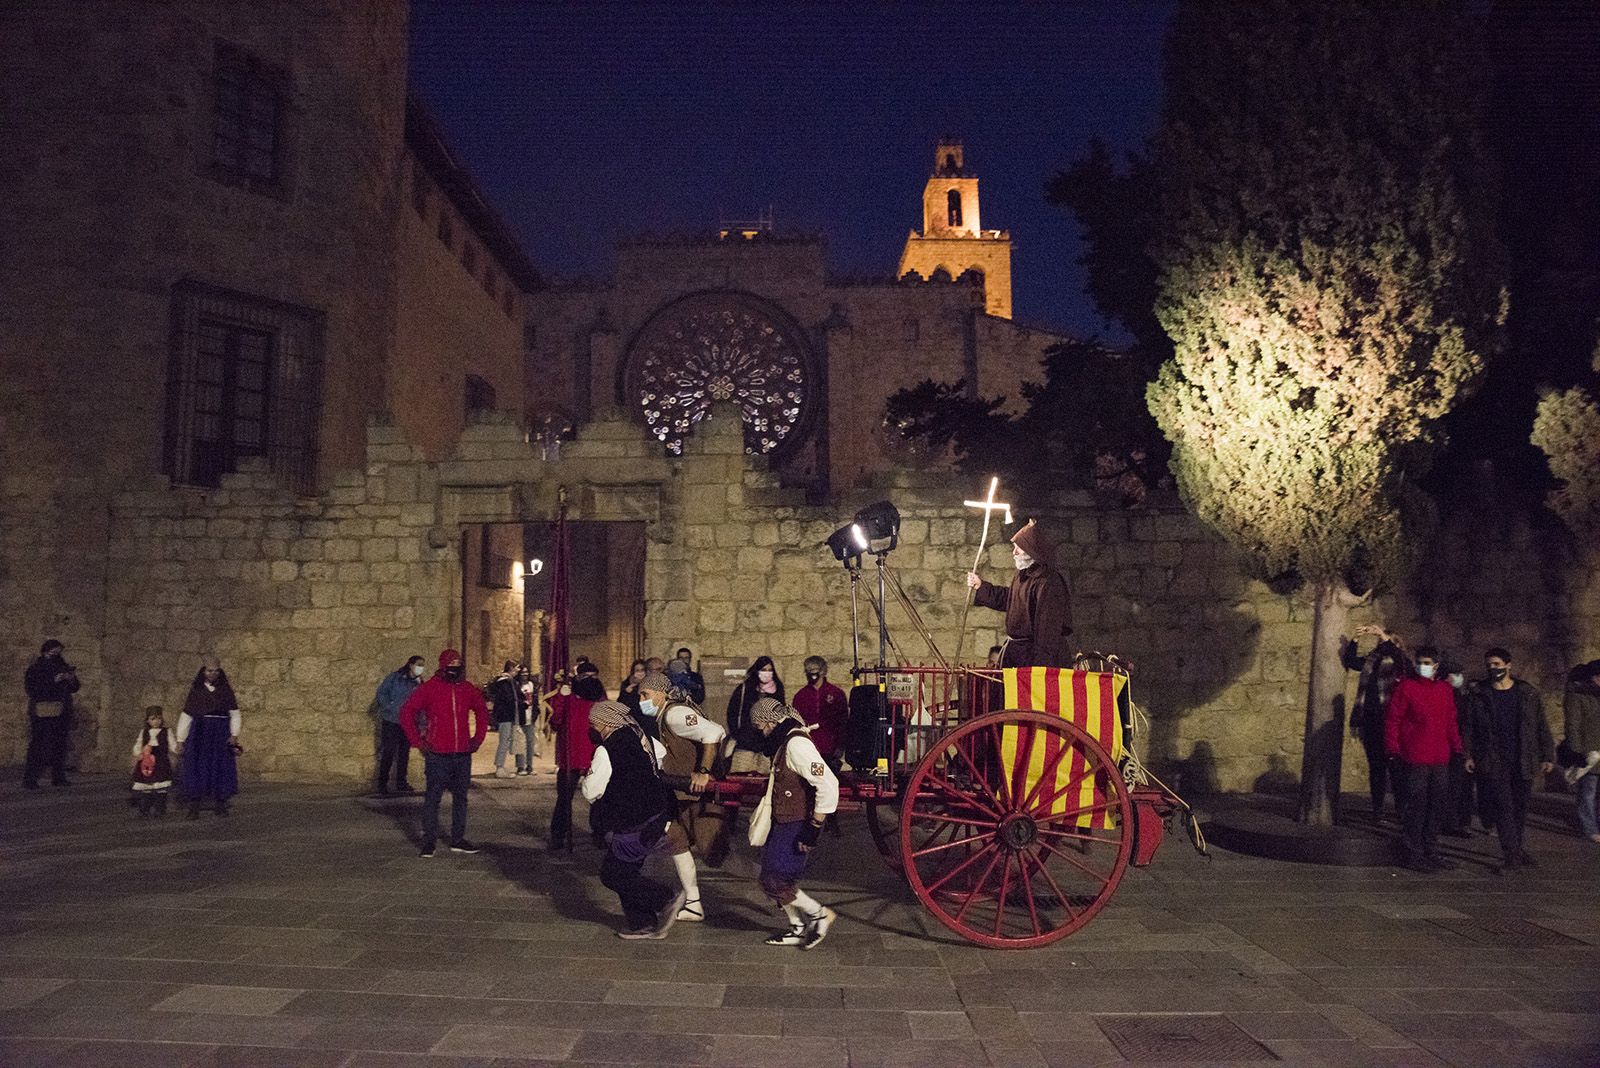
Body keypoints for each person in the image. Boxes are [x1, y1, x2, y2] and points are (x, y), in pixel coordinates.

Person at [581, 700, 688, 939]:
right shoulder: (641, 736)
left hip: (631, 821)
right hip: (653, 813)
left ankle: (664, 899)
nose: (591, 727)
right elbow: (659, 756)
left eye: (593, 722)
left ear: (605, 722)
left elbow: (592, 791)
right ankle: (642, 923)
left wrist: (589, 782)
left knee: (613, 874)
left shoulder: (608, 749)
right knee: (625, 873)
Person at [748, 697, 839, 950]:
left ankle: (819, 914)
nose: (760, 733)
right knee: (772, 875)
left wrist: (814, 827)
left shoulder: (796, 744)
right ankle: (797, 928)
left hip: (797, 822)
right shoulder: (784, 740)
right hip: (785, 819)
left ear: (768, 722)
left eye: (759, 727)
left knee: (776, 879)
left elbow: (828, 784)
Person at [639, 669, 729, 915]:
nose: (642, 701)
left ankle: (783, 887)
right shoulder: (665, 715)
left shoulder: (675, 714)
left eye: (645, 695)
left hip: (695, 795)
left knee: (713, 852)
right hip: (681, 794)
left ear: (659, 694)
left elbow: (714, 732)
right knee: (675, 839)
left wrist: (703, 770)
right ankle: (693, 902)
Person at [1463, 647, 1555, 873]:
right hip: (1494, 760)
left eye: (1496, 664)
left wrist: (1547, 754)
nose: (1492, 668)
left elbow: (1540, 726)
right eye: (1489, 664)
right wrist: (1469, 754)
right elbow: (1469, 727)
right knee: (1503, 807)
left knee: (1519, 808)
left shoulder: (1527, 693)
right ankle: (1510, 854)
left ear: (1508, 665)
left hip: (1523, 758)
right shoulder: (1480, 695)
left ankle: (1517, 848)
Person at [399, 649, 489, 857]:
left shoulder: (466, 689)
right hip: (438, 754)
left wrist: (477, 739)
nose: (454, 668)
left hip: (462, 754)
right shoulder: (430, 688)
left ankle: (458, 839)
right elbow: (407, 713)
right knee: (433, 798)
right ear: (443, 665)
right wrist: (418, 742)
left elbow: (482, 711)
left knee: (461, 798)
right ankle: (428, 841)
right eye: (451, 663)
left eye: (458, 663)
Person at [1384, 646, 1463, 872]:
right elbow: (1394, 719)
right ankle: (1413, 852)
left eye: (1427, 662)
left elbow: (1450, 721)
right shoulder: (1406, 688)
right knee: (1416, 807)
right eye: (1420, 662)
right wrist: (1393, 749)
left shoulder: (1444, 690)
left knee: (1436, 806)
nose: (1423, 666)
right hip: (1415, 756)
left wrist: (1457, 747)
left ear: (1436, 666)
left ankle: (1430, 849)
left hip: (1439, 757)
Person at [966, 518, 1073, 668]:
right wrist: (981, 586)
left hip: (1036, 656)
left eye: (1019, 548)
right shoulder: (1023, 575)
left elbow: (1047, 628)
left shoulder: (1048, 582)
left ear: (1032, 550)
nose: (1014, 552)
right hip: (1019, 653)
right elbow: (1011, 599)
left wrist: (1040, 665)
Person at [1344, 623, 1410, 820]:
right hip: (1371, 721)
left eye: (1387, 642)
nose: (1382, 645)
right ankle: (1377, 808)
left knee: (1397, 768)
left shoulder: (1401, 663)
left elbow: (1398, 657)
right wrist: (1356, 639)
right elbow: (1351, 661)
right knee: (1376, 767)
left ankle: (1401, 808)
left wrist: (1382, 635)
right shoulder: (1371, 661)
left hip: (1392, 723)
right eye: (1380, 642)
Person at [176, 657, 243, 818]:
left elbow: (234, 713)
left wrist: (234, 734)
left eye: (215, 670)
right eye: (209, 670)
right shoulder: (197, 691)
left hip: (220, 733)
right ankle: (194, 805)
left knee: (221, 766)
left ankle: (220, 803)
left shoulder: (225, 690)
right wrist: (180, 739)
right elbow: (187, 715)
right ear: (203, 671)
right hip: (200, 732)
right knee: (197, 765)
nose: (212, 673)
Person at [548, 662, 605, 851]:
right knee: (564, 798)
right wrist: (561, 699)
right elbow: (556, 722)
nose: (590, 680)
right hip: (570, 756)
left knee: (599, 798)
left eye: (593, 676)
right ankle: (558, 835)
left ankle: (599, 832)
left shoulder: (600, 700)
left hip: (594, 755)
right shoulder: (568, 699)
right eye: (586, 676)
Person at [23, 639, 79, 788]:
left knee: (59, 745)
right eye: (52, 652)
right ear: (45, 652)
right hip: (42, 712)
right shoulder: (35, 669)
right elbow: (32, 689)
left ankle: (58, 777)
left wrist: (70, 678)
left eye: (58, 652)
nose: (55, 655)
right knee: (38, 745)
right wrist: (53, 680)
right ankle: (30, 778)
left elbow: (75, 687)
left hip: (61, 711)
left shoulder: (63, 666)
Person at [1561, 658, 1600, 843]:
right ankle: (1589, 828)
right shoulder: (1577, 694)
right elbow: (1573, 725)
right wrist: (1576, 752)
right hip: (1589, 752)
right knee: (1588, 792)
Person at [1440, 661, 1481, 838]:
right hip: (1451, 748)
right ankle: (1452, 823)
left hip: (1460, 748)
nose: (1459, 677)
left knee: (1462, 787)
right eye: (1455, 674)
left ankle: (1460, 822)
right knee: (1453, 788)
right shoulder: (1446, 695)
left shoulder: (1461, 696)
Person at [373, 655, 424, 794]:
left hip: (408, 723)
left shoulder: (419, 683)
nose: (421, 668)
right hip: (391, 721)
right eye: (419, 664)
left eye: (422, 665)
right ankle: (382, 783)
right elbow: (382, 693)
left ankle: (401, 782)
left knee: (404, 753)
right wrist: (389, 707)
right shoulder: (395, 678)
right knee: (388, 752)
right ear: (410, 665)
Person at [727, 656, 784, 773]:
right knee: (740, 777)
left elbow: (780, 714)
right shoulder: (745, 689)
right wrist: (738, 734)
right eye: (763, 670)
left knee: (763, 782)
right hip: (745, 743)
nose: (767, 673)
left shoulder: (778, 690)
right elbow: (732, 713)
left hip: (766, 745)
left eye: (769, 670)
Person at [791, 655, 848, 768]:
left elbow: (842, 721)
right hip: (809, 747)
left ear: (822, 671)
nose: (811, 673)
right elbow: (796, 722)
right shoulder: (801, 696)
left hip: (830, 747)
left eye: (814, 669)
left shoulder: (836, 693)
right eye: (808, 670)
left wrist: (840, 746)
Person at [487, 660, 530, 779]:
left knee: (515, 740)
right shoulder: (504, 682)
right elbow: (509, 699)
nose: (518, 671)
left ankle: (519, 765)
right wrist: (523, 704)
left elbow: (517, 697)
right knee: (504, 741)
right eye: (516, 668)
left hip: (512, 716)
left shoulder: (511, 682)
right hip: (505, 716)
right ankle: (499, 767)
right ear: (511, 668)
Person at [129, 705, 175, 817]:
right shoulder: (144, 732)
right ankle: (145, 808)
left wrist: (176, 748)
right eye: (153, 719)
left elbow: (172, 744)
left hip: (161, 762)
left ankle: (160, 808)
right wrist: (138, 753)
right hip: (146, 762)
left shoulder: (167, 731)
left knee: (160, 786)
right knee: (147, 786)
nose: (156, 721)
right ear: (148, 720)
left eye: (159, 718)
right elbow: (139, 744)